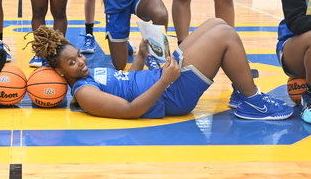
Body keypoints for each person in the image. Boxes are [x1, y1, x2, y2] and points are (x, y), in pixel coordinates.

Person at [28, 20, 293, 121]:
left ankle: (240, 93)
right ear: (60, 72)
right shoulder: (84, 93)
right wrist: (165, 80)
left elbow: (129, 80)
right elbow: (131, 110)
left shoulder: (87, 75)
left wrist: (141, 56)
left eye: (78, 56)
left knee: (216, 22)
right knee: (225, 35)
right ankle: (252, 101)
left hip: (164, 79)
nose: (80, 62)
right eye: (72, 63)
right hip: (171, 95)